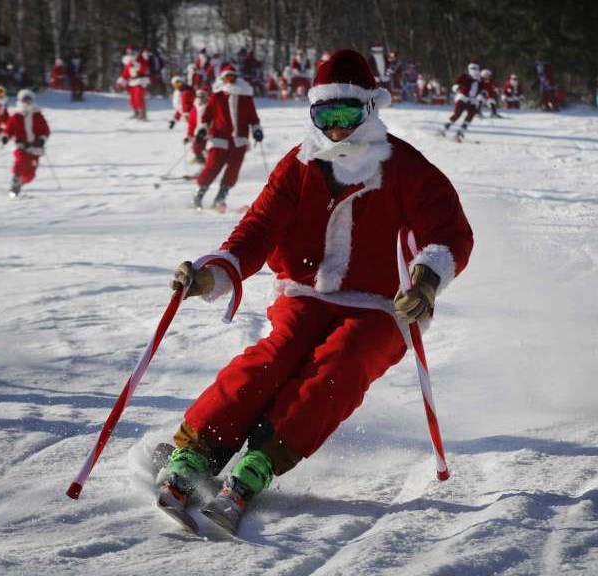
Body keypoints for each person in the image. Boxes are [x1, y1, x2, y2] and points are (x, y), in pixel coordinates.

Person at [155, 48, 473, 535]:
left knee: (342, 364)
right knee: (273, 358)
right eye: (326, 115)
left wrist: (426, 280)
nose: (337, 128)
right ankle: (197, 450)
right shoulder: (299, 165)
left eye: (347, 114)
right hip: (305, 293)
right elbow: (257, 229)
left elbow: (449, 232)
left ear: (369, 109)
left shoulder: (403, 166)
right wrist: (213, 273)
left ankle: (260, 462)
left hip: (382, 305)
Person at [191, 64, 261, 211]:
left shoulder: (246, 97)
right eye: (227, 77)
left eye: (232, 77)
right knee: (212, 167)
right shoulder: (217, 96)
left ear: (236, 78)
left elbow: (253, 118)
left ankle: (220, 198)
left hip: (239, 140)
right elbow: (206, 116)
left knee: (233, 170)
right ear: (223, 78)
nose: (230, 79)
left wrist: (256, 130)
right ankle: (198, 196)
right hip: (219, 138)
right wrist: (202, 129)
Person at [2, 89, 50, 197]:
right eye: (25, 100)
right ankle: (16, 177)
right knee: (21, 159)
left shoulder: (38, 115)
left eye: (29, 100)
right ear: (20, 101)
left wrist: (41, 139)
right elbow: (8, 129)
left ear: (32, 100)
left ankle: (20, 183)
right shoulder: (16, 116)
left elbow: (45, 130)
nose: (27, 102)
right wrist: (6, 137)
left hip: (35, 147)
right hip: (21, 145)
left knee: (30, 174)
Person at [442, 62, 483, 141]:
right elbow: (456, 84)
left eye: (476, 69)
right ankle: (444, 129)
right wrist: (456, 87)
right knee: (457, 114)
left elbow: (482, 89)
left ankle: (460, 132)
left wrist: (482, 94)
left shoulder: (480, 80)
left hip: (473, 99)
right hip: (462, 97)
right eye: (472, 69)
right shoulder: (465, 76)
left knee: (471, 115)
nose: (474, 70)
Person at [119, 47, 151, 120]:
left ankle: (143, 114)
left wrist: (136, 64)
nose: (131, 53)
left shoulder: (142, 59)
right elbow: (125, 72)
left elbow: (144, 68)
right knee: (132, 99)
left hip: (141, 81)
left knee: (139, 98)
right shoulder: (129, 62)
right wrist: (121, 81)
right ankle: (136, 112)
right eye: (129, 52)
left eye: (132, 52)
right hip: (132, 82)